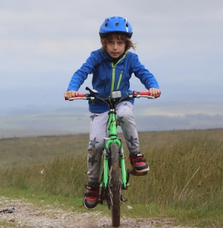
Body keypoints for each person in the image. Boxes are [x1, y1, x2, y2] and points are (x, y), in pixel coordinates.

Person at [64, 16, 160, 209]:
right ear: (103, 43)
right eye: (111, 43)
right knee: (96, 145)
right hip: (99, 105)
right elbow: (82, 72)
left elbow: (144, 73)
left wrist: (153, 86)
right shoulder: (96, 57)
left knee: (125, 115)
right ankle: (92, 185)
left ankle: (135, 154)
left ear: (127, 44)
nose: (115, 47)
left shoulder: (131, 59)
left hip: (122, 101)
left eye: (120, 43)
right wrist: (72, 89)